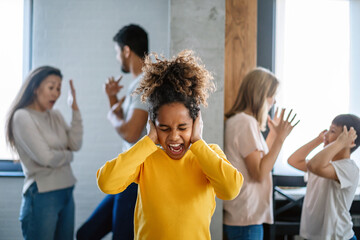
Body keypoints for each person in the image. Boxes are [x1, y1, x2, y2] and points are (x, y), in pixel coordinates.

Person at [96, 50, 243, 240]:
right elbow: (107, 183)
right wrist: (148, 141)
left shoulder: (209, 155)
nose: (174, 136)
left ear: (196, 123)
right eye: (164, 128)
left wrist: (198, 142)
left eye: (183, 127)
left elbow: (230, 190)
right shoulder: (146, 158)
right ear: (153, 125)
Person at [76, 24, 148, 240]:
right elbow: (128, 123)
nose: (117, 58)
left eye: (117, 52)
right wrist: (111, 98)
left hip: (136, 177)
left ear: (126, 51)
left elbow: (131, 133)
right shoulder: (137, 84)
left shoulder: (144, 85)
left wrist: (110, 115)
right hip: (127, 174)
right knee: (86, 234)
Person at [5, 66, 83, 240]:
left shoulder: (55, 115)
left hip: (67, 191)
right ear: (35, 88)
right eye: (51, 87)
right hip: (42, 194)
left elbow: (75, 144)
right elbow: (45, 157)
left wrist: (75, 110)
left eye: (59, 89)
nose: (56, 93)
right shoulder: (22, 117)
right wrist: (68, 156)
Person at [222, 67, 299, 240]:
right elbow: (259, 173)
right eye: (272, 95)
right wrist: (280, 139)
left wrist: (273, 135)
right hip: (246, 219)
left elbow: (261, 160)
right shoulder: (245, 122)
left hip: (243, 217)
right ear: (261, 95)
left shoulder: (241, 121)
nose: (274, 102)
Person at [288, 114, 360, 240]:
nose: (326, 134)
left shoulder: (349, 167)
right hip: (314, 236)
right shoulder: (325, 164)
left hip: (337, 237)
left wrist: (340, 143)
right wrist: (318, 140)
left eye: (332, 131)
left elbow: (314, 165)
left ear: (350, 141)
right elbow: (293, 160)